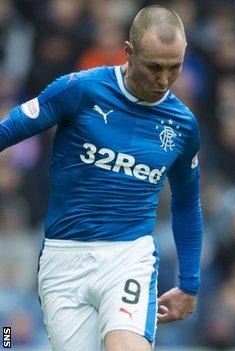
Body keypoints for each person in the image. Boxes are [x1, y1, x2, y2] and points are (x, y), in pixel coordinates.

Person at [0, 5, 202, 351]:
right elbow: (8, 130)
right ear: (128, 51)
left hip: (128, 256)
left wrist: (189, 284)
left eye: (174, 67)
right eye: (154, 66)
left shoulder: (182, 125)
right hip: (63, 258)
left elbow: (186, 204)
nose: (164, 80)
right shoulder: (80, 90)